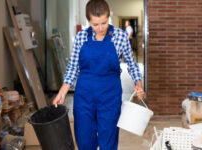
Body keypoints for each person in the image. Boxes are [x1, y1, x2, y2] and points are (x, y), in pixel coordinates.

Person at [52, 0, 144, 149]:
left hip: (110, 98)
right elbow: (73, 67)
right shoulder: (81, 37)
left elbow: (132, 65)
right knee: (84, 140)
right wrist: (63, 91)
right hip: (84, 98)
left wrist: (138, 84)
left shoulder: (120, 37)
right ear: (89, 21)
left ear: (109, 17)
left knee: (108, 141)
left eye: (104, 22)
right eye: (95, 24)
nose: (100, 28)